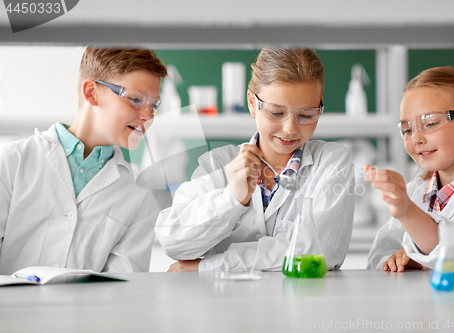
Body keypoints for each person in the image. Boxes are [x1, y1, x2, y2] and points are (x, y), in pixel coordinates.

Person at [155, 47, 354, 272]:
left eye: (306, 115)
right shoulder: (216, 164)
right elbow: (173, 242)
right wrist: (232, 199)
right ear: (252, 102)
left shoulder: (332, 162)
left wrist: (208, 266)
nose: (290, 129)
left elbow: (317, 251)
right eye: (276, 113)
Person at [0, 47, 168, 275]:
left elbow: (122, 287)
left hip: (86, 312)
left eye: (154, 105)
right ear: (91, 92)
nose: (148, 116)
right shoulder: (12, 161)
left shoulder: (138, 195)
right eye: (136, 99)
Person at [365, 66, 454, 272]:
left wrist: (410, 215)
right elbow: (378, 257)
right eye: (407, 129)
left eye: (430, 123)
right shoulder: (414, 191)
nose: (416, 139)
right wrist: (396, 259)